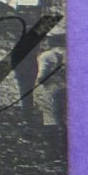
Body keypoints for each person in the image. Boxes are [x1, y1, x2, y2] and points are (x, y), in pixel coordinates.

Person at [33, 33, 66, 161]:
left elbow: (42, 77)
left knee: (50, 117)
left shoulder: (46, 56)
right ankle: (65, 151)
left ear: (51, 41)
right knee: (66, 117)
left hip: (52, 89)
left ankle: (51, 152)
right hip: (68, 89)